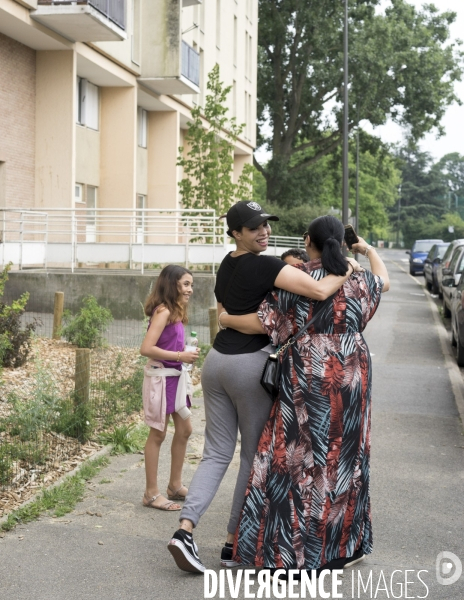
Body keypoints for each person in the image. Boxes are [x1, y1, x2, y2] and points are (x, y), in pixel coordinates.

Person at [167, 201, 363, 573]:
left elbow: (229, 313)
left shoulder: (226, 264)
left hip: (216, 364)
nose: (264, 232)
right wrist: (350, 267)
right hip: (249, 367)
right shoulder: (269, 265)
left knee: (215, 453)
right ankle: (231, 545)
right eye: (254, 227)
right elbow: (320, 291)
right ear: (236, 232)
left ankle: (184, 530)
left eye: (266, 225)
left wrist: (225, 319)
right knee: (251, 458)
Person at [222, 215, 389, 577]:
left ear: (306, 240)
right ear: (342, 244)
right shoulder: (359, 278)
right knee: (346, 459)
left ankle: (289, 552)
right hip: (352, 373)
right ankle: (341, 548)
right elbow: (384, 282)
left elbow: (261, 323)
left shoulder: (293, 280)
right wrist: (366, 249)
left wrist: (226, 320)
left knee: (294, 458)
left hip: (306, 374)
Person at [140, 265, 200, 511]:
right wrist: (179, 355)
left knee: (184, 429)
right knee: (158, 434)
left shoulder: (176, 310)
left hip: (175, 378)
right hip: (162, 379)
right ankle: (151, 494)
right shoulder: (163, 311)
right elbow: (146, 348)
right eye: (186, 284)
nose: (190, 290)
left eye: (191, 285)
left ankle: (174, 485)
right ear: (172, 284)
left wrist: (183, 353)